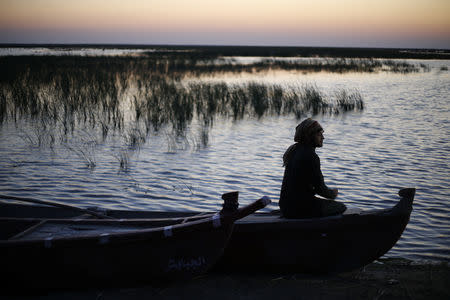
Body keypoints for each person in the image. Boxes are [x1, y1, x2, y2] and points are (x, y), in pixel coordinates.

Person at [279, 118, 346, 218]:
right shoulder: (311, 156)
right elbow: (320, 188)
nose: (323, 138)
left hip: (286, 207)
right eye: (319, 134)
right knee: (341, 207)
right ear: (310, 136)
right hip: (300, 208)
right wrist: (332, 194)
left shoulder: (294, 151)